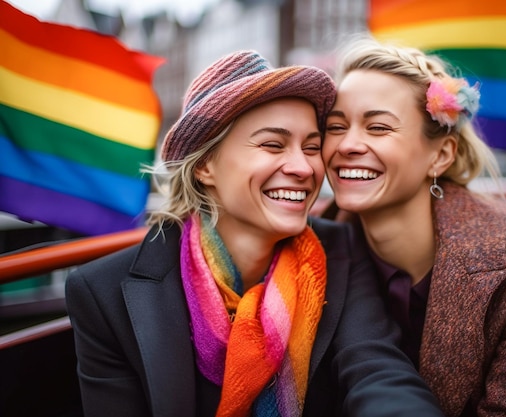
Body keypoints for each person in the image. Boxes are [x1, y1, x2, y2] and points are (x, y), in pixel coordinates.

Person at [65, 50, 444, 417]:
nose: (303, 167)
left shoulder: (340, 248)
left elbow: (377, 370)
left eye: (312, 147)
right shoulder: (102, 292)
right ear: (205, 166)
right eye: (272, 145)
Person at [322, 36, 506, 417]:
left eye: (378, 128)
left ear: (440, 155)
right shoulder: (315, 240)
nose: (347, 144)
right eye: (335, 127)